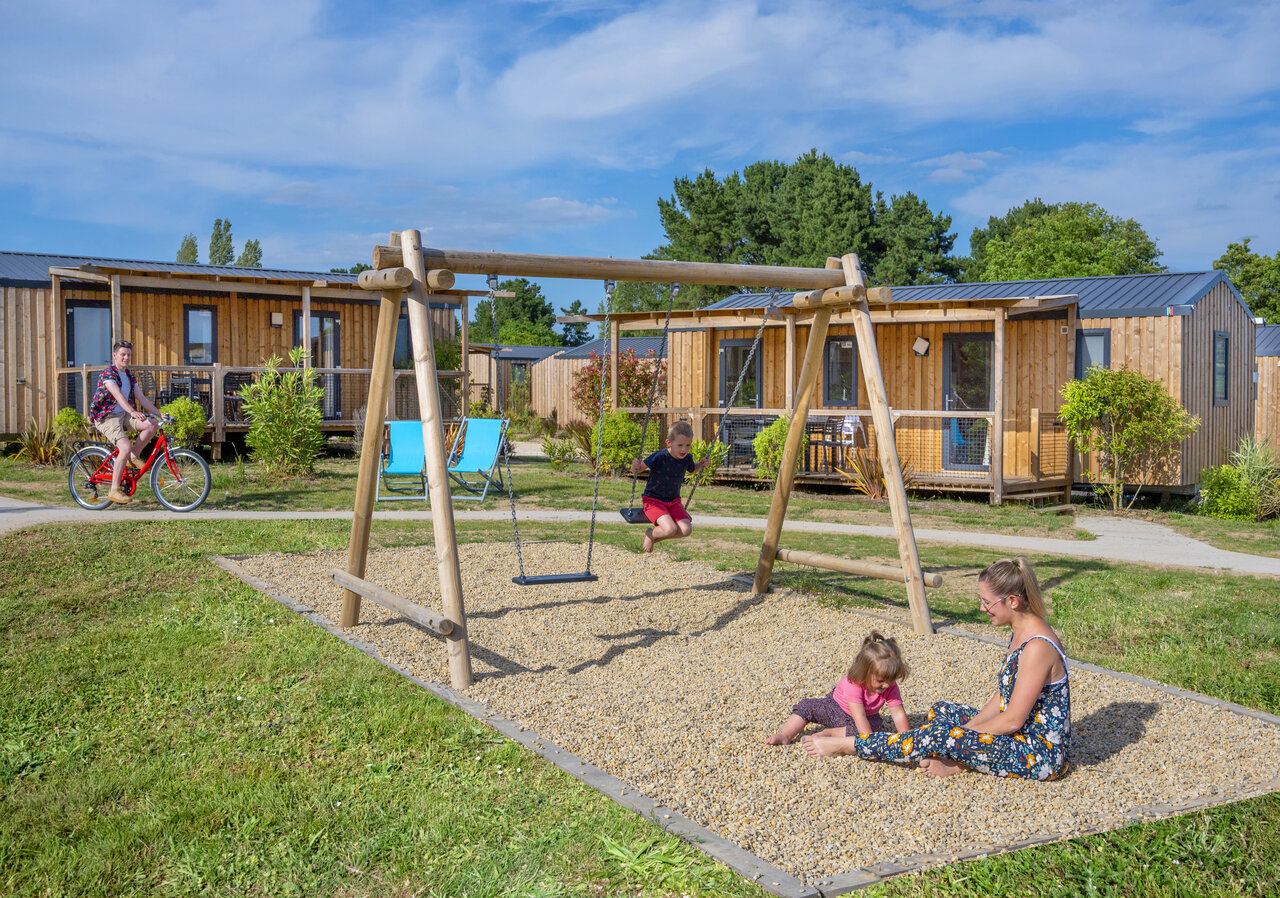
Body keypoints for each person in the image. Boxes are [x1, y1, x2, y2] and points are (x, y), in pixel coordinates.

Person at [803, 557, 1070, 781]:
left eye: (987, 602)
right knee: (941, 711)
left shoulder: (1037, 647)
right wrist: (967, 729)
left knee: (940, 734)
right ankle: (956, 760)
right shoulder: (1020, 632)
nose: (982, 608)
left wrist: (957, 736)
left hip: (1037, 753)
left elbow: (1013, 719)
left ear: (1012, 601)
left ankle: (850, 745)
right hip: (1017, 737)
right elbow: (1004, 696)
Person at [766, 631, 910, 745]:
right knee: (806, 706)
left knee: (875, 727)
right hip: (835, 707)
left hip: (866, 716)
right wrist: (870, 744)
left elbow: (898, 714)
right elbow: (858, 715)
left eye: (891, 680)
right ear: (865, 673)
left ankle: (831, 733)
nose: (887, 685)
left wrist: (907, 740)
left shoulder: (890, 685)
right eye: (880, 681)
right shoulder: (854, 683)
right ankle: (785, 735)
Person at [87, 340, 162, 505]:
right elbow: (117, 395)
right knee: (124, 447)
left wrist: (159, 413)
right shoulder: (109, 373)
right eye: (122, 354)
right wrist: (132, 411)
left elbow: (141, 398)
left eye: (128, 355)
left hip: (123, 414)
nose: (126, 357)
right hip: (107, 417)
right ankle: (114, 489)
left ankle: (133, 456)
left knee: (152, 424)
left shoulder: (129, 375)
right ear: (115, 356)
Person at [629, 420, 709, 553]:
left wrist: (701, 464)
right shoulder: (659, 456)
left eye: (688, 445)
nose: (684, 449)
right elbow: (639, 469)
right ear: (669, 442)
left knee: (686, 530)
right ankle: (651, 534)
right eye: (680, 445)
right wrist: (634, 465)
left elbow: (693, 469)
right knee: (670, 529)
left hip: (673, 502)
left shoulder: (687, 458)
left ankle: (652, 536)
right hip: (653, 501)